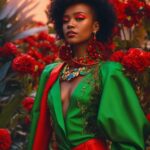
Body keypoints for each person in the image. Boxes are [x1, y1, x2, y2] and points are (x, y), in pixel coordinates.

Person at [28, 0, 150, 150]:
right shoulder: (51, 73)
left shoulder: (109, 73)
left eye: (79, 18)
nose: (70, 24)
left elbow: (128, 139)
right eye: (65, 20)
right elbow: (39, 129)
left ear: (95, 26)